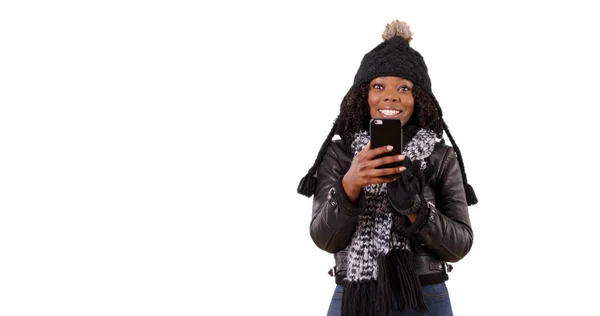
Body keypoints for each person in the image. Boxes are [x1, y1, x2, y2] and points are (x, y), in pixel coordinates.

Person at [297, 20, 478, 316]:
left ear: (418, 99)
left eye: (403, 88)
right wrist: (350, 186)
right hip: (355, 298)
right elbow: (324, 239)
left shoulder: (440, 156)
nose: (391, 96)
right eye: (378, 86)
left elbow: (459, 247)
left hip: (424, 296)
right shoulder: (339, 154)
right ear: (362, 97)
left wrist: (415, 209)